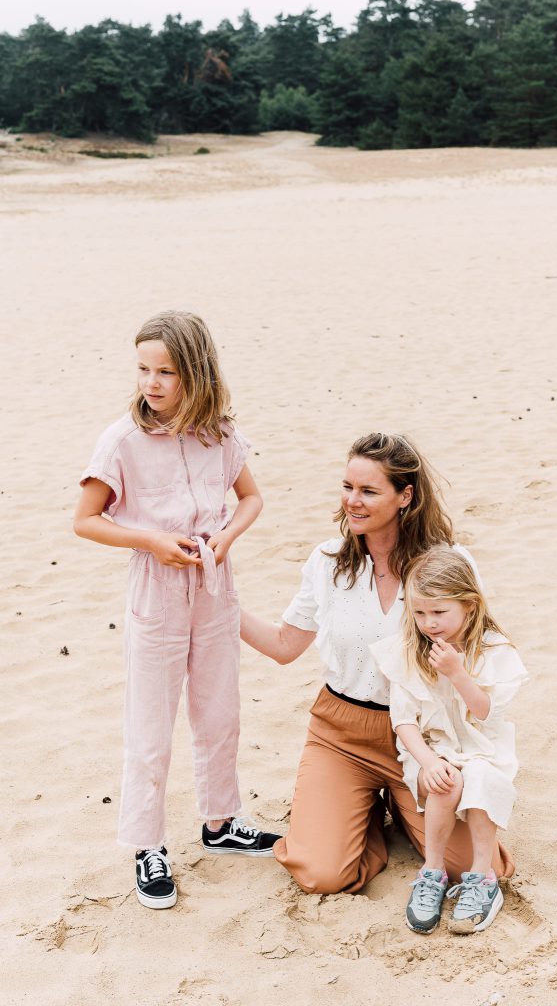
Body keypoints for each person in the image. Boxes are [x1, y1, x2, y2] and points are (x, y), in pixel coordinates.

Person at [240, 432, 515, 895]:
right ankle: (361, 811)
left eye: (368, 491)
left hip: (429, 736)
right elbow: (286, 645)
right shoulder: (327, 562)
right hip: (341, 732)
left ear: (405, 495)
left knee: (470, 867)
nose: (353, 501)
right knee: (322, 874)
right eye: (348, 487)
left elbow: (479, 652)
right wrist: (220, 606)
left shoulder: (448, 563)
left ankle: (400, 804)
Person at [74, 309, 279, 910]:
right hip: (155, 592)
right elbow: (86, 520)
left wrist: (225, 538)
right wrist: (152, 541)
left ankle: (221, 823)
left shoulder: (218, 432)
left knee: (220, 712)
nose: (152, 383)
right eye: (143, 369)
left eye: (166, 371)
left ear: (196, 372)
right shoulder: (121, 440)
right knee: (151, 724)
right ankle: (147, 845)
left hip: (216, 587)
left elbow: (251, 498)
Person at [370, 547, 528, 935]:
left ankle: (482, 877)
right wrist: (428, 761)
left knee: (482, 778)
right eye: (420, 613)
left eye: (439, 613)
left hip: (482, 745)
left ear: (469, 606)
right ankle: (433, 872)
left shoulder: (491, 650)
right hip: (432, 747)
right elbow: (404, 721)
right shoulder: (409, 651)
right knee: (446, 780)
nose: (428, 623)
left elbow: (486, 710)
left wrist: (458, 673)